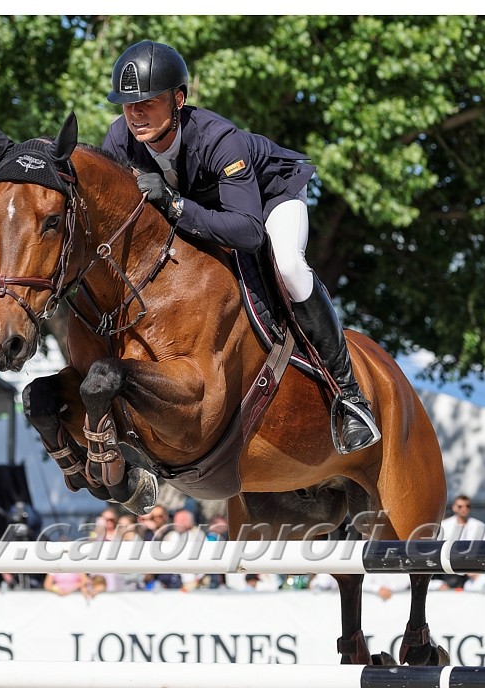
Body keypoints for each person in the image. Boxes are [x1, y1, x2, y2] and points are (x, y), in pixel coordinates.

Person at [102, 40, 380, 454]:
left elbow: (248, 232)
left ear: (178, 99)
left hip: (268, 201)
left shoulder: (219, 140)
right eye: (128, 104)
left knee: (288, 266)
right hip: (208, 209)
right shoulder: (119, 141)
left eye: (149, 102)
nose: (135, 114)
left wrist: (174, 203)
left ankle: (350, 396)